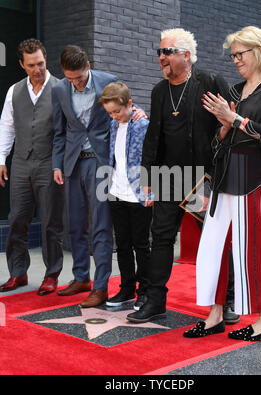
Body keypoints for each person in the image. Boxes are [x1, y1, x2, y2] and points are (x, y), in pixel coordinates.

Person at [183, 26, 261, 341]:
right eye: (233, 56)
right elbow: (218, 138)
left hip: (252, 175)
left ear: (258, 51)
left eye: (239, 54)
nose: (236, 60)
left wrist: (234, 120)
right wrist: (225, 126)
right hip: (223, 174)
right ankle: (215, 315)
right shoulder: (235, 89)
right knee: (211, 247)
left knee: (250, 249)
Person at [127, 28, 233, 323]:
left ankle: (227, 300)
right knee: (160, 239)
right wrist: (147, 175)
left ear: (186, 55)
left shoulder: (210, 82)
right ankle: (155, 300)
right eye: (159, 52)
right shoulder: (159, 90)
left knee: (212, 240)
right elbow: (153, 135)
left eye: (166, 52)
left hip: (202, 177)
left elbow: (229, 123)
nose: (161, 58)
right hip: (166, 176)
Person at [52, 45, 146, 308]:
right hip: (72, 164)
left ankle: (101, 286)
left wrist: (138, 111)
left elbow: (124, 103)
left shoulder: (107, 80)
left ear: (88, 66)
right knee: (75, 224)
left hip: (101, 163)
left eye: (80, 77)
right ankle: (80, 277)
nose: (76, 83)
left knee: (102, 226)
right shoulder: (59, 89)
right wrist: (56, 164)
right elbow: (59, 132)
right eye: (70, 79)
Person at [0, 39, 64, 296]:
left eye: (40, 63)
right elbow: (7, 126)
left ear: (45, 60)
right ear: (21, 65)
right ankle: (18, 272)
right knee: (17, 219)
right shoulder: (14, 91)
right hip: (21, 164)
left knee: (51, 221)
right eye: (31, 65)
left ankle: (51, 275)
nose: (37, 69)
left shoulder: (61, 89)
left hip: (49, 164)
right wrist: (1, 159)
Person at [99, 82, 153, 311]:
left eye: (117, 111)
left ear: (129, 104)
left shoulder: (142, 124)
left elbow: (153, 156)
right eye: (110, 112)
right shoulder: (114, 124)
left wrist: (154, 189)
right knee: (122, 244)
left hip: (139, 194)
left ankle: (145, 292)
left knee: (141, 245)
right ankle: (127, 288)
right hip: (117, 192)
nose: (114, 116)